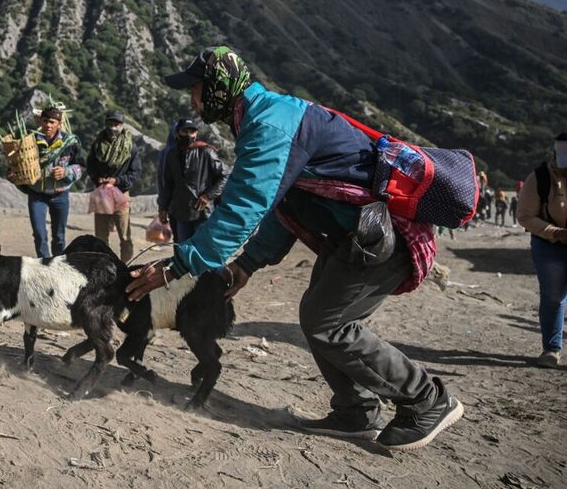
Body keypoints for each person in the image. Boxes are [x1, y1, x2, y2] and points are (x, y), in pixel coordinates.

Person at [127, 46, 462, 451]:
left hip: (379, 236)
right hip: (350, 238)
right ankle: (355, 411)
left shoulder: (269, 125)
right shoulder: (264, 118)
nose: (193, 100)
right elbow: (283, 204)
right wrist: (247, 264)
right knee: (317, 315)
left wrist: (174, 267)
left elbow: (242, 208)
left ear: (218, 88)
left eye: (197, 89)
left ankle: (427, 398)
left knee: (328, 321)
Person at [517, 132, 567, 368]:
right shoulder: (539, 177)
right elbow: (525, 216)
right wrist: (556, 233)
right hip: (549, 245)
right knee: (554, 297)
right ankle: (552, 349)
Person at [22, 107, 83, 258]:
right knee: (39, 233)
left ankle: (57, 265)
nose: (48, 125)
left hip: (60, 195)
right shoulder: (30, 142)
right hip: (37, 194)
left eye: (52, 122)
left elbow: (80, 166)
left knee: (59, 236)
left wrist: (66, 172)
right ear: (40, 122)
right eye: (45, 121)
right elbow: (18, 164)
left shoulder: (69, 142)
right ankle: (44, 264)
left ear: (59, 124)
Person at [157, 118, 228, 244]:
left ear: (196, 134)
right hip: (181, 213)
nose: (189, 135)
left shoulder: (206, 152)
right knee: (184, 250)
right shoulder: (171, 155)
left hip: (202, 211)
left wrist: (208, 195)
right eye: (185, 131)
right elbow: (168, 184)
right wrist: (163, 207)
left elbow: (224, 175)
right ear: (177, 133)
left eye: (192, 132)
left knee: (204, 249)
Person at [85, 111, 141, 261]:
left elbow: (135, 172)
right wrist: (98, 179)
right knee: (101, 236)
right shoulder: (97, 144)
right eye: (110, 123)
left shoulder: (131, 147)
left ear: (122, 125)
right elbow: (90, 165)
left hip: (121, 194)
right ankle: (104, 266)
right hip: (102, 194)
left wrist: (117, 181)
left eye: (116, 124)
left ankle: (126, 267)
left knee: (125, 235)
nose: (113, 127)